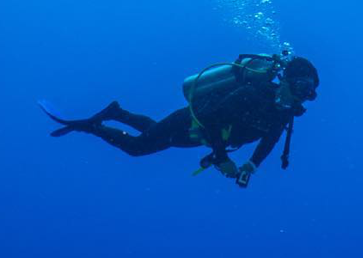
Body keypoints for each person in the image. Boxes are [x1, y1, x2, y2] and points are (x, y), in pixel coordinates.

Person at [39, 54, 319, 188]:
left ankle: (116, 112)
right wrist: (221, 158)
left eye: (310, 93)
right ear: (286, 81)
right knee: (139, 147)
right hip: (191, 121)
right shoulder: (251, 93)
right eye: (302, 88)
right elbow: (213, 117)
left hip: (199, 138)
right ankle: (89, 126)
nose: (303, 98)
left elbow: (270, 139)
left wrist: (251, 165)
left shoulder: (282, 113)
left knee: (156, 135)